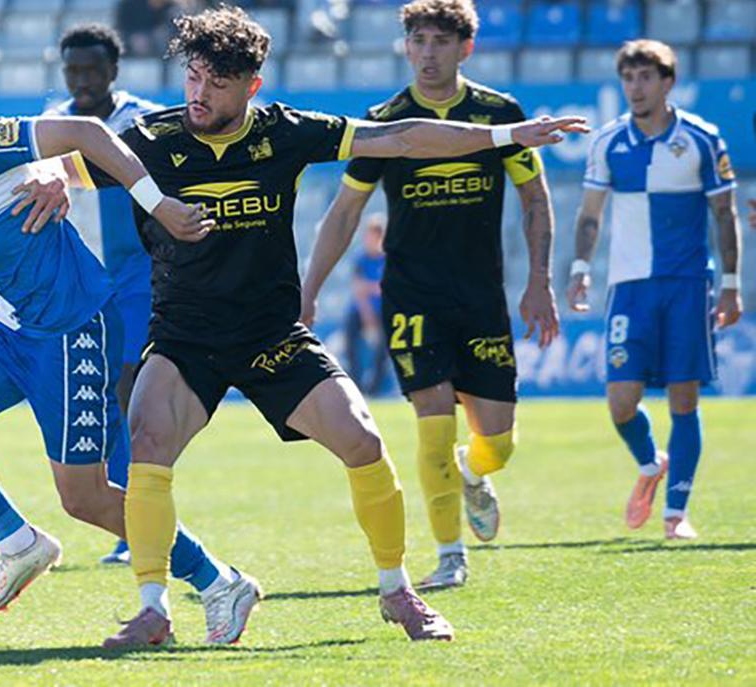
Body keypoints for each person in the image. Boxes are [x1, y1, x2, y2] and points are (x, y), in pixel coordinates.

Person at [66, 5, 583, 647]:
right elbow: (65, 166)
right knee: (146, 445)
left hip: (270, 336)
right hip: (184, 339)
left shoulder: (284, 132)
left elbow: (400, 138)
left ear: (251, 86)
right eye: (193, 77)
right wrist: (41, 180)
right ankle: (153, 609)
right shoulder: (149, 139)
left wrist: (506, 137)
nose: (199, 94)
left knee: (363, 442)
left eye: (216, 83)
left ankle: (399, 593)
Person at [0, 46, 259, 646]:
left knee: (87, 498)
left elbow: (86, 132)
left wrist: (157, 203)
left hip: (71, 331)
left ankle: (221, 581)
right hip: (17, 328)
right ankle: (19, 544)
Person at [301, 0, 559, 592]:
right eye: (417, 40)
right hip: (412, 295)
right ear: (406, 46)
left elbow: (535, 198)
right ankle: (449, 555)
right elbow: (344, 213)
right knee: (433, 423)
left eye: (440, 41)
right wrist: (309, 291)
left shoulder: (499, 115)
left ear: (465, 48)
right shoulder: (386, 122)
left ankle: (474, 471)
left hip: (481, 295)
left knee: (496, 441)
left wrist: (539, 279)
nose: (427, 52)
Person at [567, 40, 743, 540]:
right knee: (621, 402)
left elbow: (723, 214)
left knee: (683, 400)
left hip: (688, 284)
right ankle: (650, 463)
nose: (635, 88)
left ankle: (675, 514)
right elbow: (590, 214)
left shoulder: (702, 139)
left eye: (645, 78)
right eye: (628, 78)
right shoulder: (608, 143)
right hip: (630, 287)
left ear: (667, 83)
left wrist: (730, 284)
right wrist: (581, 266)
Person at [47, 23, 163, 566]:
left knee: (126, 385)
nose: (84, 80)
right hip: (81, 278)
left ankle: (134, 519)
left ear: (113, 71)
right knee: (102, 394)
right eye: (74, 70)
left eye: (93, 70)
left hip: (136, 273)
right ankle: (131, 511)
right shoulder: (53, 125)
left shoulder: (140, 120)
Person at [345, 213, 389, 396]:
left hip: (384, 310)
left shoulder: (388, 259)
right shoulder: (361, 259)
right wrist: (367, 314)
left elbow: (386, 287)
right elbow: (358, 290)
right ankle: (355, 385)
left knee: (384, 349)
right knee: (350, 340)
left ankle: (375, 389)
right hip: (362, 310)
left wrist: (369, 287)